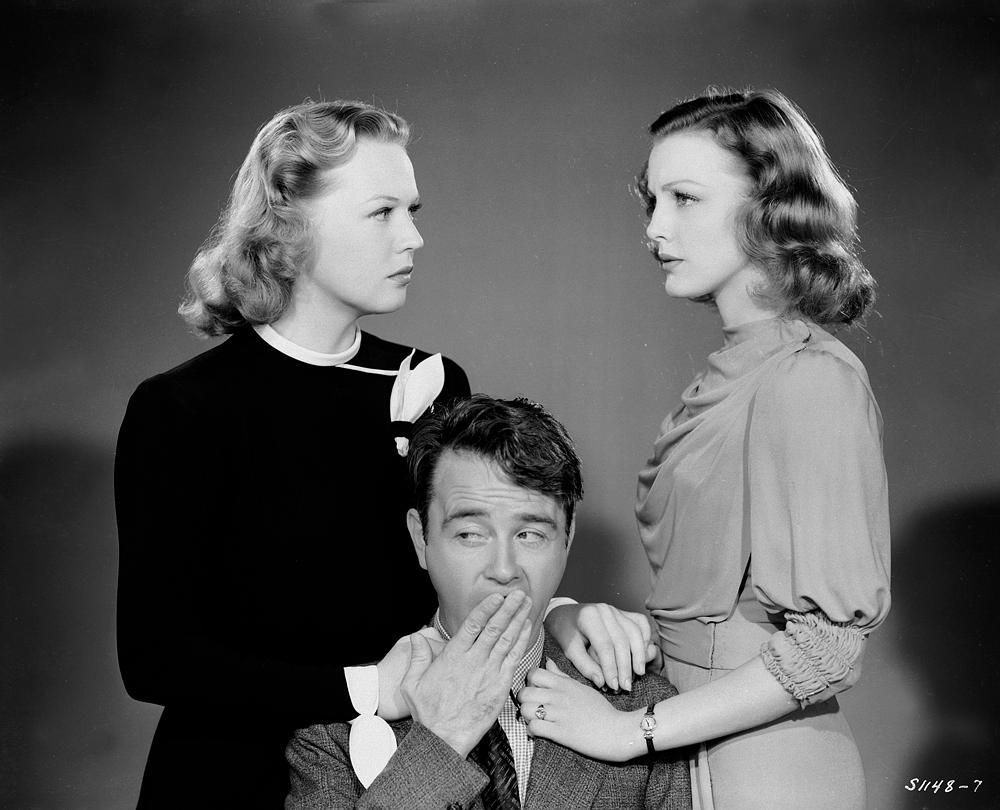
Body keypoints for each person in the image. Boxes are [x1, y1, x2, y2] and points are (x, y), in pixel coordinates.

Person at [115, 100, 651, 808]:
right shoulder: (182, 408)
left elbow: (465, 559)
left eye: (413, 210)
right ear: (289, 224)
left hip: (402, 775)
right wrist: (367, 688)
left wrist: (558, 615)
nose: (414, 237)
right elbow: (155, 660)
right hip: (231, 780)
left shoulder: (432, 382)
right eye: (383, 212)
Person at [516, 89, 891, 809]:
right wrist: (568, 615)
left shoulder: (810, 380)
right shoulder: (734, 373)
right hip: (685, 743)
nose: (656, 227)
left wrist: (630, 732)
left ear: (770, 209)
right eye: (652, 201)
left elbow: (827, 648)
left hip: (767, 770)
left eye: (685, 198)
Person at [286, 395, 691, 809]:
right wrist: (441, 742)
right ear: (420, 539)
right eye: (470, 534)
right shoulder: (333, 733)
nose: (503, 569)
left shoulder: (642, 708)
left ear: (567, 540)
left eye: (530, 535)